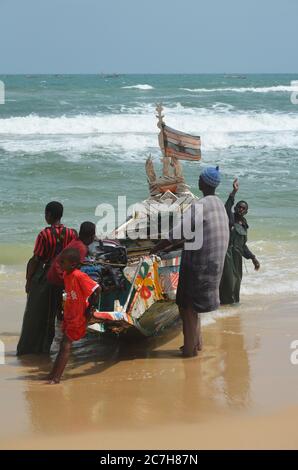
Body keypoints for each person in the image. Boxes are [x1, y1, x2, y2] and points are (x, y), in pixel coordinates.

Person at [152, 166, 229, 357]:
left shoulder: (200, 205)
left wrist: (158, 247)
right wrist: (172, 247)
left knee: (187, 307)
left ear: (203, 183)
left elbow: (177, 232)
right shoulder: (218, 204)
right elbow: (195, 233)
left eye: (201, 179)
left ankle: (189, 350)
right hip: (215, 264)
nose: (199, 181)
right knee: (192, 307)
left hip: (199, 266)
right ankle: (198, 343)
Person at [17, 202, 77, 356]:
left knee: (37, 313)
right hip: (63, 276)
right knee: (57, 311)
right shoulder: (71, 233)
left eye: (46, 214)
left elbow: (36, 259)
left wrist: (28, 280)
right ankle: (52, 346)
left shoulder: (44, 235)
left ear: (49, 215)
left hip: (45, 276)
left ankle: (33, 350)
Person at [46, 248, 100, 384]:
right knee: (62, 345)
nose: (60, 264)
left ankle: (56, 378)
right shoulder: (66, 274)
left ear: (73, 264)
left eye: (62, 262)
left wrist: (90, 309)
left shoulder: (79, 276)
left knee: (65, 345)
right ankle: (52, 374)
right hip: (69, 315)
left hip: (78, 316)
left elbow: (97, 289)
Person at [219, 178, 260, 305]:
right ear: (235, 207)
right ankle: (222, 305)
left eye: (243, 208)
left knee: (236, 283)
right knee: (228, 282)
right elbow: (227, 207)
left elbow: (243, 245)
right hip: (227, 254)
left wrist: (253, 258)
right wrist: (234, 191)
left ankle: (231, 310)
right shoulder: (230, 217)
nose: (241, 209)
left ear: (246, 212)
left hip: (237, 257)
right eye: (239, 207)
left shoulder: (244, 224)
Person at [47, 221, 96, 287]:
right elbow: (75, 269)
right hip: (59, 277)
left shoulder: (76, 241)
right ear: (92, 237)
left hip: (53, 273)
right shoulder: (82, 248)